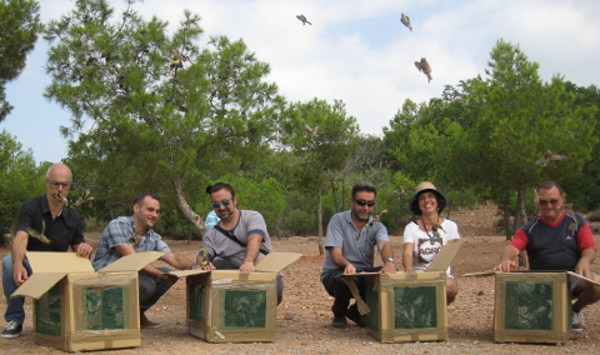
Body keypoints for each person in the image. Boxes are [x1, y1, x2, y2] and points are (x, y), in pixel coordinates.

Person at [494, 181, 600, 333]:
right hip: (540, 283)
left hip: (572, 279)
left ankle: (574, 311)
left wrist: (585, 260)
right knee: (508, 286)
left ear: (562, 199)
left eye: (553, 201)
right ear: (538, 202)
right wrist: (506, 259)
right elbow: (512, 248)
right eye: (544, 202)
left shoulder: (576, 221)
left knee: (596, 283)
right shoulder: (530, 228)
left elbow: (590, 249)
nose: (549, 206)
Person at [2, 163, 93, 339]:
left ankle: (77, 319)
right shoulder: (30, 206)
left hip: (56, 266)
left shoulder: (73, 216)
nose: (60, 188)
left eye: (65, 185)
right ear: (46, 182)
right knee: (8, 262)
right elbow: (21, 236)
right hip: (31, 262)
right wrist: (18, 263)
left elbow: (77, 245)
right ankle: (15, 319)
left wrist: (84, 248)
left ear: (70, 186)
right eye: (55, 183)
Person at [92, 193, 196, 329]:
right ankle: (108, 315)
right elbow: (132, 258)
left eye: (157, 212)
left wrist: (195, 266)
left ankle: (137, 313)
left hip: (129, 276)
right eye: (150, 210)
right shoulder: (118, 225)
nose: (155, 215)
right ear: (136, 208)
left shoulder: (152, 236)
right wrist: (159, 275)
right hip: (104, 279)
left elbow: (172, 257)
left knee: (168, 273)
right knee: (148, 284)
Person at [320, 182, 396, 328]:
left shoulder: (377, 226)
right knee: (344, 280)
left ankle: (356, 312)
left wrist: (389, 261)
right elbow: (336, 254)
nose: (365, 208)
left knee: (390, 275)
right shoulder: (338, 220)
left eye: (370, 204)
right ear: (352, 201)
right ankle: (339, 313)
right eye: (361, 203)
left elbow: (384, 245)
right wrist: (347, 265)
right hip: (336, 272)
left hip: (363, 274)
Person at [195, 182, 282, 303]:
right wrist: (204, 263)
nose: (221, 207)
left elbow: (255, 239)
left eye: (225, 202)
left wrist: (248, 261)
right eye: (216, 204)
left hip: (266, 277)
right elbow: (202, 255)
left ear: (234, 200)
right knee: (216, 263)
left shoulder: (252, 217)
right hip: (238, 279)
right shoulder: (212, 235)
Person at [403, 181, 460, 305]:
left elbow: (446, 255)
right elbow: (407, 253)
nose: (427, 201)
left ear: (437, 200)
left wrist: (434, 277)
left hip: (441, 275)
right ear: (418, 204)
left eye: (430, 196)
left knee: (449, 287)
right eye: (422, 198)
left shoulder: (450, 227)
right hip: (419, 274)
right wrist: (409, 269)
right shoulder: (411, 228)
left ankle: (436, 315)